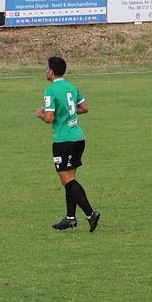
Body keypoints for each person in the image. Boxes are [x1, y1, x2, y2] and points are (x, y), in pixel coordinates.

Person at [38, 56, 101, 231]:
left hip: (63, 140)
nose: (46, 71)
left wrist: (41, 114)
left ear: (51, 71)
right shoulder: (72, 87)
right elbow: (84, 108)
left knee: (67, 180)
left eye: (46, 68)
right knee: (69, 179)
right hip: (78, 137)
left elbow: (49, 118)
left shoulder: (50, 91)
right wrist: (67, 115)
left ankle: (90, 214)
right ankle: (70, 217)